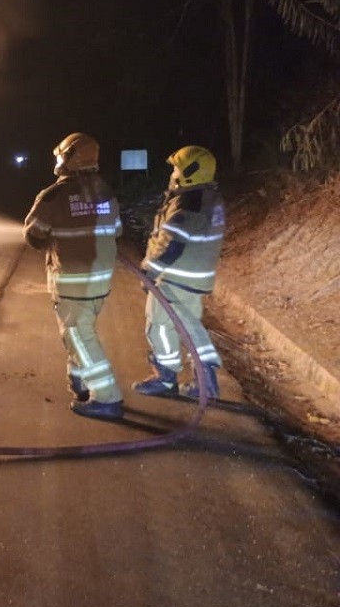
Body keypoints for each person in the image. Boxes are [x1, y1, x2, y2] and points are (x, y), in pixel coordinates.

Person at [23, 132, 125, 419]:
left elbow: (33, 236)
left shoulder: (54, 196)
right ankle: (79, 381)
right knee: (81, 333)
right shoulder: (105, 191)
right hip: (101, 282)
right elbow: (117, 230)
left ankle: (107, 398)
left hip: (71, 284)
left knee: (80, 337)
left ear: (69, 157)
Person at [133, 145, 226, 400]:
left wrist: (149, 271)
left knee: (160, 326)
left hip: (176, 277)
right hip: (194, 278)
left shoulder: (188, 202)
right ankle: (205, 382)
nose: (173, 173)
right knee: (189, 326)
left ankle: (165, 378)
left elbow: (172, 243)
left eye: (176, 168)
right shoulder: (208, 198)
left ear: (189, 172)